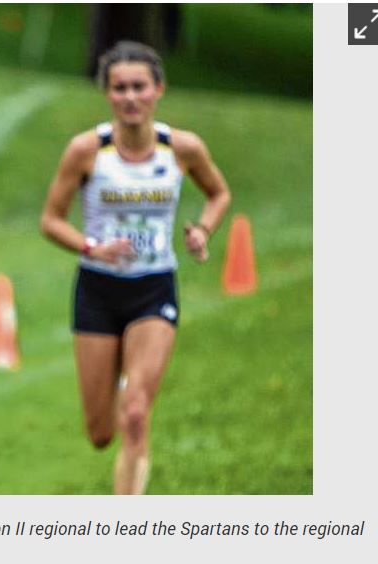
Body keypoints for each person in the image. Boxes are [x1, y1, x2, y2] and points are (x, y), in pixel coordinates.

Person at [39, 41, 231, 494]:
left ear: (158, 89)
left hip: (153, 288)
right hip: (98, 290)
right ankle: (124, 385)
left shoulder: (182, 148)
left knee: (136, 412)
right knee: (101, 432)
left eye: (139, 87)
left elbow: (219, 193)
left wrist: (203, 230)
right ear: (107, 93)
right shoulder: (86, 150)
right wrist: (92, 247)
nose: (130, 97)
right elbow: (50, 220)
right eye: (120, 87)